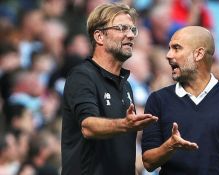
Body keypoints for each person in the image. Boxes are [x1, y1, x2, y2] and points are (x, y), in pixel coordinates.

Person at [141, 26, 219, 175]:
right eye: (169, 48)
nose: (168, 55)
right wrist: (170, 145)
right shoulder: (158, 99)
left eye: (176, 48)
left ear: (199, 53)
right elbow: (148, 162)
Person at [61, 3, 158, 175]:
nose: (130, 35)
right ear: (99, 36)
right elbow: (88, 127)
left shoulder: (126, 85)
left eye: (132, 30)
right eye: (122, 28)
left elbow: (122, 152)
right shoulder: (82, 76)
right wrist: (125, 124)